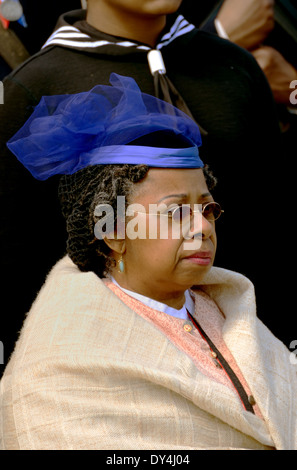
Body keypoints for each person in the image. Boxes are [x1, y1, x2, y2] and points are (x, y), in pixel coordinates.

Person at [1, 75, 296, 450]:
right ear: (113, 231)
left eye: (208, 208)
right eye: (175, 212)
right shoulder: (57, 370)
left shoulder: (231, 311)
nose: (202, 226)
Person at [0, 0, 284, 380]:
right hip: (104, 373)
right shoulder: (32, 90)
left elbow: (278, 229)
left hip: (253, 360)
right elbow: (16, 268)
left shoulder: (236, 69)